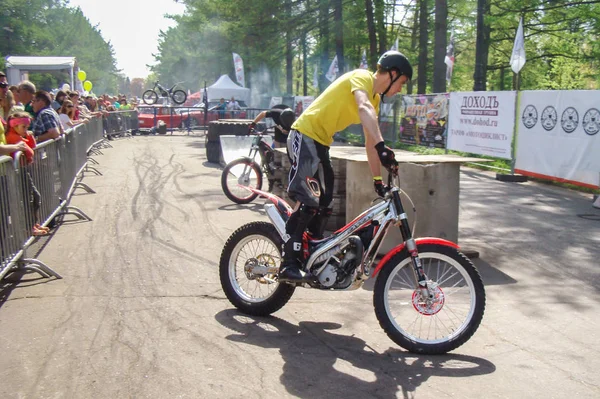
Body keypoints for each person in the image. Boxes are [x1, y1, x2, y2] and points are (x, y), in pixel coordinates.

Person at [278, 50, 413, 283]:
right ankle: (288, 263)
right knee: (310, 200)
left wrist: (377, 181)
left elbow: (370, 143)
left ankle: (312, 254)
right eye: (401, 82)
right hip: (304, 134)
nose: (400, 88)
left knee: (326, 201)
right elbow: (363, 108)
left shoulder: (376, 100)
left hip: (321, 143)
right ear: (391, 74)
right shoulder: (362, 78)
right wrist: (383, 146)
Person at [4, 112, 49, 236]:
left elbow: (31, 148)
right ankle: (30, 227)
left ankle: (32, 224)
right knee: (29, 198)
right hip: (18, 172)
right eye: (23, 127)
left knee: (34, 197)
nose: (26, 130)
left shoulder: (19, 137)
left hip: (23, 170)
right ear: (15, 126)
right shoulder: (13, 137)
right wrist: (27, 141)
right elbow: (30, 153)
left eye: (27, 127)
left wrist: (29, 137)